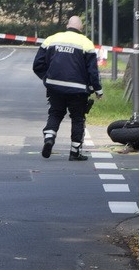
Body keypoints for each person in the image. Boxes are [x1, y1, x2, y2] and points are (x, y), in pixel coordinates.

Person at [33, 16, 103, 161]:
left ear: (67, 25)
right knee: (77, 118)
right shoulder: (86, 43)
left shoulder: (52, 39)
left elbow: (37, 64)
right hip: (77, 90)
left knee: (55, 113)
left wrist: (47, 78)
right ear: (81, 28)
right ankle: (75, 152)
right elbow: (93, 71)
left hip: (55, 87)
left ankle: (49, 138)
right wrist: (97, 89)